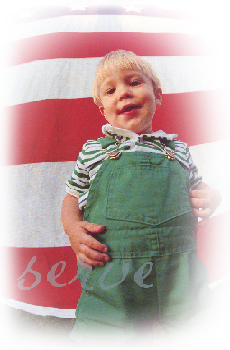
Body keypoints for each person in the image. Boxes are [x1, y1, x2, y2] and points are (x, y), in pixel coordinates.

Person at [61, 50, 221, 343]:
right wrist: (73, 230)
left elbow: (200, 188)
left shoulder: (179, 150)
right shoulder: (94, 152)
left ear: (157, 94)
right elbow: (72, 198)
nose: (123, 93)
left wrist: (212, 197)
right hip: (114, 276)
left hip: (180, 273)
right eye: (111, 90)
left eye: (134, 83)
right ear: (103, 109)